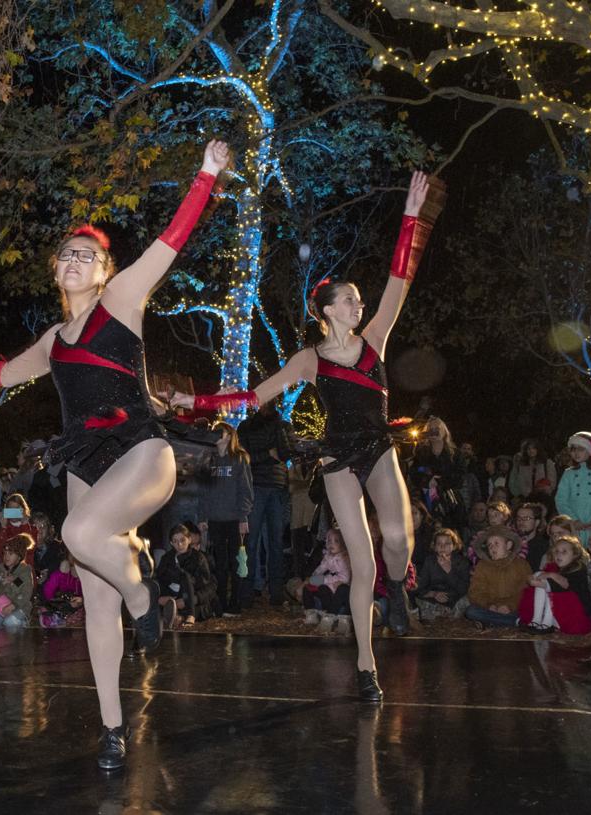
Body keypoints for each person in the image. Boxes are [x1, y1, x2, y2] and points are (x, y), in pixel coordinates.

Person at [0, 140, 230, 768]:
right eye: (65, 255)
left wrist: (205, 175)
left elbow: (171, 242)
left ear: (104, 270)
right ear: (56, 272)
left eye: (87, 255)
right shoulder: (52, 339)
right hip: (82, 460)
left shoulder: (123, 298)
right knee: (94, 600)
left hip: (141, 448)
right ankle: (111, 728)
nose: (74, 261)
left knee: (76, 534)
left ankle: (144, 593)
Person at [173, 171, 440, 702]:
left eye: (360, 302)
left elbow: (400, 278)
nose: (358, 307)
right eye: (349, 301)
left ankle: (399, 593)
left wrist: (412, 215)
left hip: (378, 449)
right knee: (360, 560)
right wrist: (199, 403)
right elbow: (254, 396)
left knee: (398, 541)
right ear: (326, 311)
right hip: (339, 458)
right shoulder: (308, 359)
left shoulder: (375, 340)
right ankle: (367, 667)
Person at [235, 402, 296, 606]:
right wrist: (268, 454)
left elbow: (287, 453)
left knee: (276, 543)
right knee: (250, 542)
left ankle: (276, 592)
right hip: (256, 485)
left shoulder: (282, 425)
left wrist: (278, 427)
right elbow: (244, 456)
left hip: (277, 486)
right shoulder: (247, 426)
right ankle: (247, 592)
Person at [199, 421, 253, 616]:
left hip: (234, 519)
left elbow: (245, 490)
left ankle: (236, 603)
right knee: (219, 564)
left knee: (236, 563)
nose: (215, 436)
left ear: (229, 436)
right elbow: (202, 491)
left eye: (219, 432)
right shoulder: (208, 459)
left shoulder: (239, 459)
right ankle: (220, 603)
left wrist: (243, 517)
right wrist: (203, 516)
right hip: (215, 519)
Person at [518, 535, 591, 634]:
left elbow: (566, 585)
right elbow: (544, 578)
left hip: (576, 610)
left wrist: (550, 575)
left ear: (575, 554)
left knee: (551, 585)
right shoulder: (556, 568)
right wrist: (533, 578)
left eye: (564, 552)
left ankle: (547, 623)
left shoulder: (578, 568)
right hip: (560, 610)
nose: (559, 555)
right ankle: (536, 620)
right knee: (540, 575)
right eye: (556, 551)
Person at [463, 526, 530, 629]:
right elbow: (475, 591)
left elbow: (526, 590)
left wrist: (510, 606)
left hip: (513, 608)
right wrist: (489, 605)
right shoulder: (482, 565)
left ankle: (493, 621)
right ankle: (511, 622)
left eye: (496, 543)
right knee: (471, 611)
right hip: (490, 608)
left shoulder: (521, 565)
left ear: (508, 545)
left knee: (528, 610)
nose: (492, 547)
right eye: (489, 545)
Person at [156, 522, 218, 628]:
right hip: (172, 598)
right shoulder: (167, 558)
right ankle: (172, 616)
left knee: (185, 577)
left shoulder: (199, 558)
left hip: (193, 600)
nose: (179, 545)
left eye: (182, 540)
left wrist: (190, 599)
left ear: (189, 540)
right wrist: (163, 597)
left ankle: (187, 616)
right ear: (171, 543)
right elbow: (160, 579)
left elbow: (208, 586)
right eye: (175, 541)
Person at [412, 528, 471, 622]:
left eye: (447, 543)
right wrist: (433, 594)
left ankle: (448, 613)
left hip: (455, 598)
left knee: (467, 600)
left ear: (454, 546)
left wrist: (449, 571)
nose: (442, 547)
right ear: (434, 547)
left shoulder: (462, 562)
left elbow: (463, 589)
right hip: (434, 599)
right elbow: (421, 586)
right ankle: (440, 613)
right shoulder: (429, 561)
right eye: (439, 544)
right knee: (414, 597)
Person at [303, 527, 352, 633]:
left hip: (342, 590)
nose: (331, 544)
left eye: (336, 541)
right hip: (331, 588)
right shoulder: (328, 557)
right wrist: (313, 577)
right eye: (329, 541)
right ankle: (313, 614)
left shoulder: (345, 558)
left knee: (341, 590)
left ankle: (333, 616)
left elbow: (345, 578)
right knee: (312, 588)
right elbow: (321, 568)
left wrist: (322, 580)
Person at [0, 535, 35, 628]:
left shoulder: (25, 570)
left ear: (19, 556)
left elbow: (27, 591)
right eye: (5, 553)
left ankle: (22, 624)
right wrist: (2, 584)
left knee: (10, 622)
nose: (6, 556)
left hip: (20, 607)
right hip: (1, 607)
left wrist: (14, 581)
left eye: (10, 553)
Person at [0, 493, 37, 564]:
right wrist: (3, 528)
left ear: (23, 510)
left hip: (24, 570)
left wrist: (24, 525)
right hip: (6, 569)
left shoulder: (32, 529)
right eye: (10, 509)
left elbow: (29, 550)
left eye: (16, 509)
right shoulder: (0, 530)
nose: (13, 512)